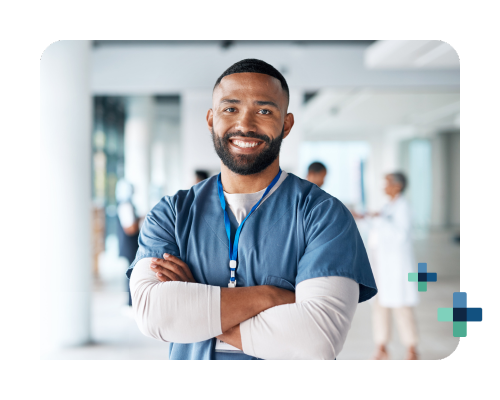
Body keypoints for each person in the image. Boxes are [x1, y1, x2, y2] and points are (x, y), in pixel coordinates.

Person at [127, 59, 377, 360]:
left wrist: (196, 301)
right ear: (211, 119)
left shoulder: (323, 214)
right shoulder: (172, 213)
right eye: (230, 108)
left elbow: (315, 341)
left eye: (264, 111)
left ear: (286, 124)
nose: (245, 124)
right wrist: (270, 296)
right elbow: (153, 315)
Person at [356, 172, 419, 360]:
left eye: (387, 183)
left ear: (398, 186)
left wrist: (378, 218)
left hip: (397, 267)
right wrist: (364, 217)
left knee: (402, 308)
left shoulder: (404, 207)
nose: (384, 186)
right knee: (379, 306)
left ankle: (412, 349)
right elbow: (377, 227)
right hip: (381, 266)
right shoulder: (387, 206)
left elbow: (400, 235)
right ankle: (382, 347)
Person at [115, 178, 140, 307]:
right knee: (131, 272)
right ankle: (131, 301)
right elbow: (130, 229)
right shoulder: (125, 206)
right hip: (130, 245)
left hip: (129, 245)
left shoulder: (125, 204)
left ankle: (131, 300)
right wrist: (142, 220)